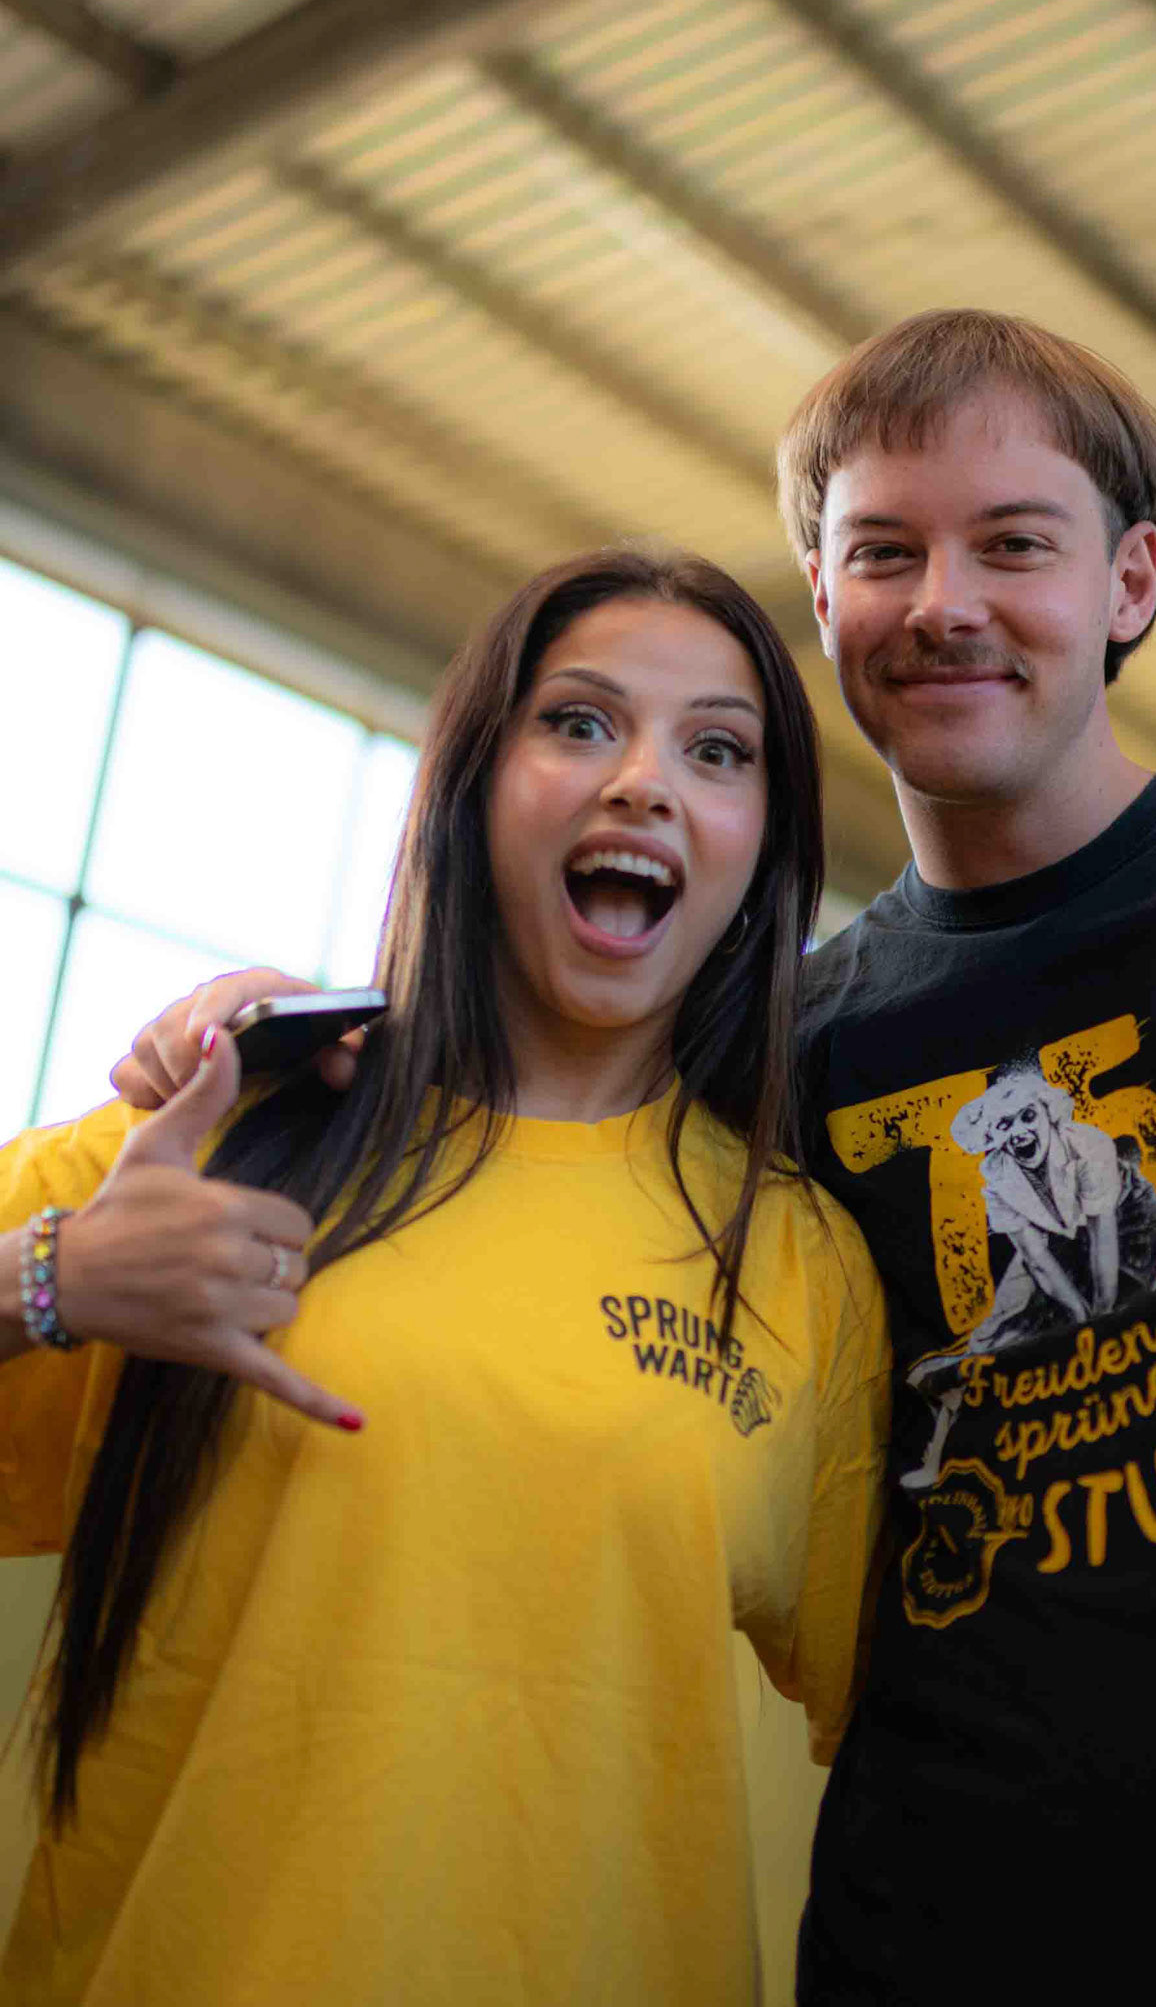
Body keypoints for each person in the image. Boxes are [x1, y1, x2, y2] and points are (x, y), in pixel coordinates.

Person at [113, 312, 1156, 2002]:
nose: (944, 601)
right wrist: (284, 1040)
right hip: (954, 1946)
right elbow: (531, 1210)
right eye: (884, 551)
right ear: (824, 599)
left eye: (1014, 544)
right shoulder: (767, 1064)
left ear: (1129, 583)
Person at [0, 549, 889, 2006]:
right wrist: (50, 1277)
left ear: (761, 855)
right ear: (472, 789)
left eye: (718, 752)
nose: (645, 785)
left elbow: (944, 1750)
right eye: (580, 723)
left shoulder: (803, 1267)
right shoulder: (227, 1132)